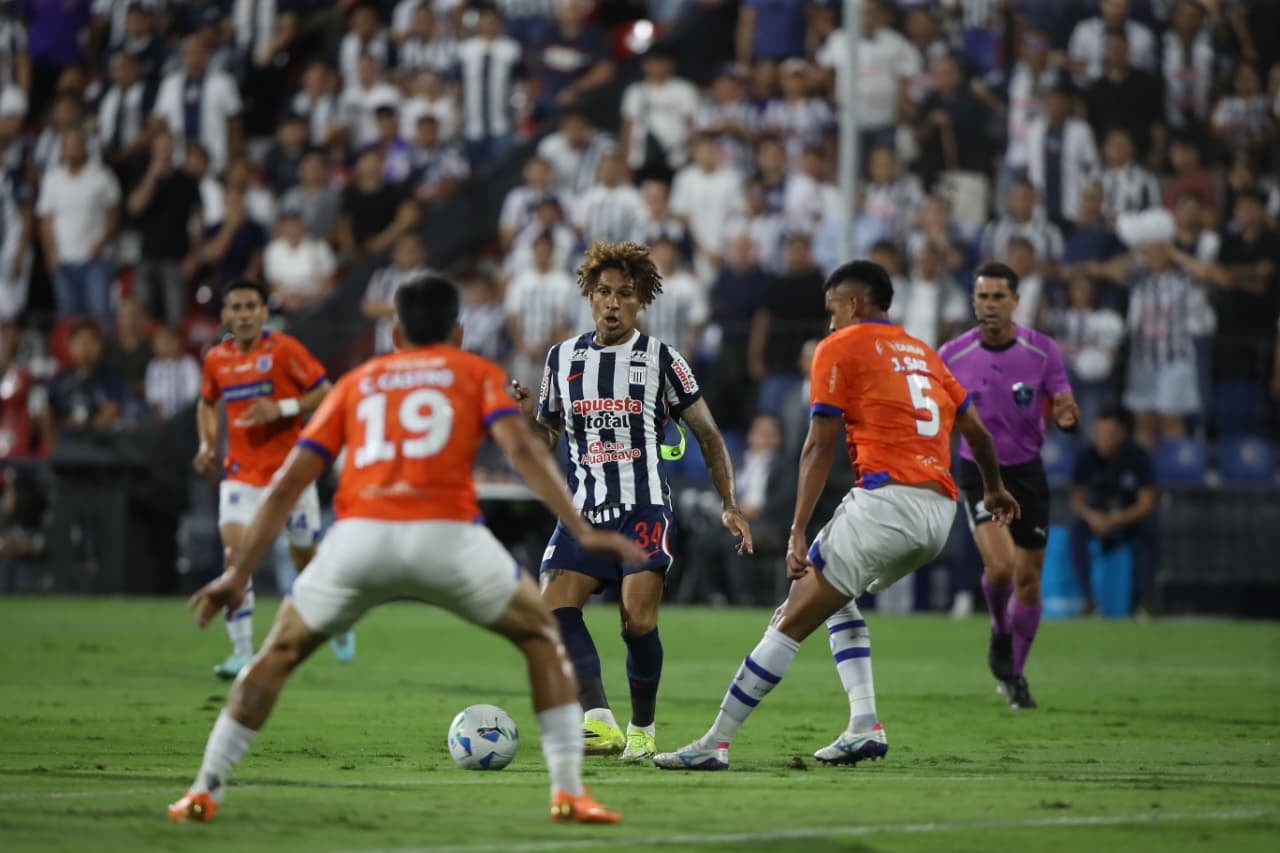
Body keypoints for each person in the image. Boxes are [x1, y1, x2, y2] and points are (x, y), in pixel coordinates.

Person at [170, 275, 644, 825]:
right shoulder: (474, 372)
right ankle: (568, 794)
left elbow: (288, 482)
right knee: (542, 637)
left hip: (359, 537)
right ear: (459, 331)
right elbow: (522, 449)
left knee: (275, 655)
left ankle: (204, 789)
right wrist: (581, 529)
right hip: (449, 537)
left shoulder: (359, 381)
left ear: (394, 333)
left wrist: (237, 574)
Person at [652, 260, 1018, 771]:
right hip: (939, 511)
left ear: (852, 304)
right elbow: (977, 432)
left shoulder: (839, 347)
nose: (828, 323)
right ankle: (864, 724)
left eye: (831, 311)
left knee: (788, 619)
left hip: (886, 503)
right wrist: (996, 489)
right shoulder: (923, 354)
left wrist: (797, 529)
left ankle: (715, 741)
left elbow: (818, 445)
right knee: (837, 600)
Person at [509, 240, 753, 762]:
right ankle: (600, 722)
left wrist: (729, 502)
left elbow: (709, 435)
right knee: (552, 607)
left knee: (635, 620)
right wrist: (528, 418)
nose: (613, 303)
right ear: (589, 297)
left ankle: (642, 727)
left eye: (625, 294)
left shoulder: (664, 359)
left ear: (641, 301)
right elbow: (548, 436)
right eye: (603, 293)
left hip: (644, 508)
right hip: (585, 510)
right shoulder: (562, 358)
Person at [938, 262, 1080, 710]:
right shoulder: (951, 355)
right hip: (978, 471)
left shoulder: (1042, 351)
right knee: (1001, 569)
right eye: (982, 297)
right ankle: (1000, 628)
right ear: (973, 301)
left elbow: (1062, 398)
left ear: (1016, 302)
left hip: (1027, 472)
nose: (990, 305)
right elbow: (938, 416)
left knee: (1030, 582)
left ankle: (1014, 674)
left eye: (999, 297)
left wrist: (1067, 415)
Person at [194, 278, 348, 679]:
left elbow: (326, 392)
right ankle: (242, 651)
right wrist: (207, 444)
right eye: (236, 307)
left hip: (290, 474)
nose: (244, 315)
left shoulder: (284, 350)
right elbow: (207, 403)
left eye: (251, 307)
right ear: (226, 314)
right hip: (240, 475)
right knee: (235, 558)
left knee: (305, 561)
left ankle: (337, 619)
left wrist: (280, 408)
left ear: (264, 312)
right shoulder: (216, 359)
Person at [1069, 408, 1157, 616]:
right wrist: (1092, 517)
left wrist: (1116, 520)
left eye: (1108, 434)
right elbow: (1077, 500)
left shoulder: (1138, 457)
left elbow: (1146, 503)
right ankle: (1088, 602)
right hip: (1096, 518)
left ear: (1122, 434)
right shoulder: (1086, 457)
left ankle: (1144, 602)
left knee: (1150, 530)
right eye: (1098, 434)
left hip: (1128, 519)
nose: (1102, 440)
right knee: (1076, 532)